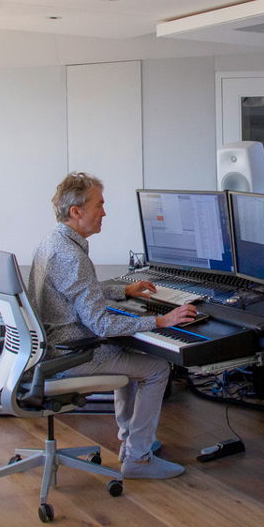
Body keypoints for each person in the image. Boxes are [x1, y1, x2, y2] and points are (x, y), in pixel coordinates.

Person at [27, 172, 197, 479]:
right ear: (76, 211)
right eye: (99, 205)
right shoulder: (71, 256)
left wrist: (123, 290)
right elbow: (102, 325)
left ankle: (130, 441)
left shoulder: (54, 241)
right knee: (157, 368)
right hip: (71, 355)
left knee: (130, 358)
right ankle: (139, 459)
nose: (104, 212)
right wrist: (161, 320)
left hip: (51, 349)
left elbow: (77, 288)